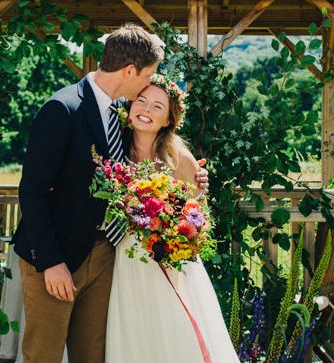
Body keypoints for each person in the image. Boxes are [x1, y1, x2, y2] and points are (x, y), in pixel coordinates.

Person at [13, 24, 208, 363]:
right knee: (42, 356)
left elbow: (153, 153)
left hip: (104, 259)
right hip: (56, 260)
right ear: (129, 70)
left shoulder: (122, 113)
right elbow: (32, 190)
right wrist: (51, 262)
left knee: (94, 356)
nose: (148, 83)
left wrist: (192, 177)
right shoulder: (62, 108)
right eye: (148, 74)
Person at [106, 75, 239, 363]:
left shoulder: (178, 157)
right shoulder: (113, 147)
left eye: (157, 106)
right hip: (122, 258)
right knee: (131, 327)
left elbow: (196, 217)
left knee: (173, 328)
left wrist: (170, 236)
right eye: (141, 101)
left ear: (168, 120)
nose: (146, 110)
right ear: (129, 106)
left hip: (167, 261)